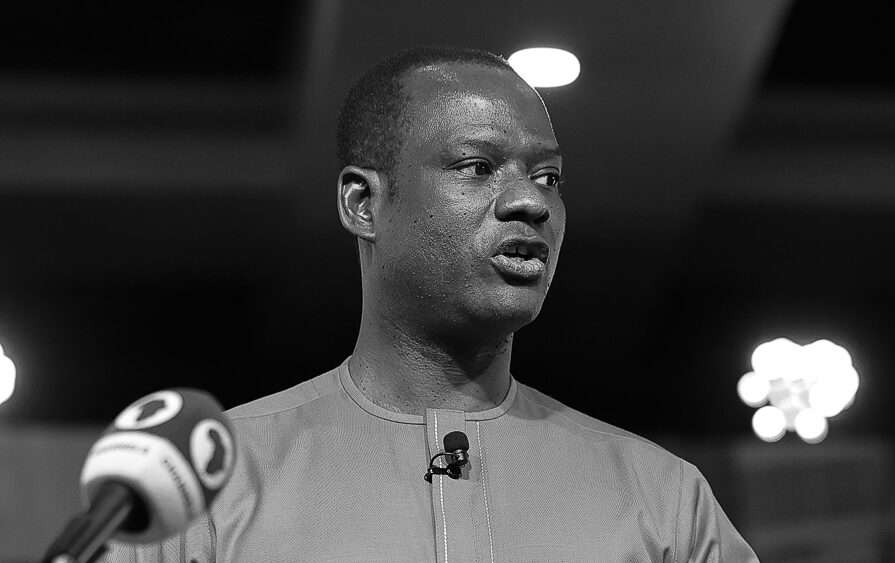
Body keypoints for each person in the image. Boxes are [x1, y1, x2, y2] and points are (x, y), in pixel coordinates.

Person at [106, 46, 758, 563]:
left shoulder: (664, 500)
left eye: (548, 177)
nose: (531, 201)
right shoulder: (204, 489)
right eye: (478, 166)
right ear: (363, 204)